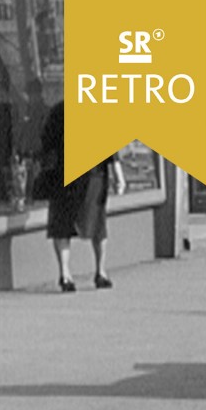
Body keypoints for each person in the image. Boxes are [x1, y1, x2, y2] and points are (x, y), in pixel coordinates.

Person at [40, 102, 126, 292]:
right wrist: (119, 175)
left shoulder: (58, 111)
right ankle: (100, 272)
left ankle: (65, 274)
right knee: (97, 224)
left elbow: (46, 143)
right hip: (91, 176)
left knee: (63, 225)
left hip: (64, 174)